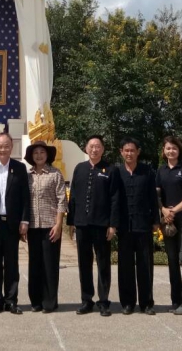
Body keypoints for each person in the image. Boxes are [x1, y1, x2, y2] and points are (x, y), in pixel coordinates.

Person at [109, 137, 159, 315]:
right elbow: (113, 199)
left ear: (138, 152)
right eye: (126, 150)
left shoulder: (147, 171)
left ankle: (146, 303)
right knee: (125, 266)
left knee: (145, 265)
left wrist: (155, 220)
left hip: (143, 225)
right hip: (124, 226)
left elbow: (153, 197)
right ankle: (128, 302)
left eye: (132, 150)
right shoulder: (117, 171)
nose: (129, 153)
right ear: (121, 152)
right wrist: (113, 224)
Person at [67, 134, 115, 317]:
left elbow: (114, 198)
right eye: (91, 146)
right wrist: (71, 222)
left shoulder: (110, 170)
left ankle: (103, 301)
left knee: (103, 263)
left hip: (102, 225)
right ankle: (86, 300)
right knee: (84, 263)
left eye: (98, 146)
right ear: (86, 148)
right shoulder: (79, 168)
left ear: (102, 149)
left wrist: (112, 224)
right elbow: (74, 197)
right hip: (82, 224)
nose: (94, 149)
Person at [0, 131, 30, 314]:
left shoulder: (19, 168)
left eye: (7, 146)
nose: (3, 149)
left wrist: (24, 220)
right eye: (0, 146)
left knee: (12, 264)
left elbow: (25, 197)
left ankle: (11, 300)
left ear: (12, 147)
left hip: (12, 223)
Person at [156, 135, 182, 315]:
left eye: (174, 148)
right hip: (168, 219)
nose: (171, 151)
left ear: (179, 150)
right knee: (172, 260)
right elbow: (157, 195)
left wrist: (173, 211)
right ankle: (176, 299)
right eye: (168, 148)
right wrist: (163, 210)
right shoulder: (161, 171)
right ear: (163, 152)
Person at [25, 141, 66, 313]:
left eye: (42, 152)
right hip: (33, 225)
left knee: (50, 265)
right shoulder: (28, 176)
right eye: (36, 153)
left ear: (47, 155)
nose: (39, 155)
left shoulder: (55, 174)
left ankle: (49, 301)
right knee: (34, 264)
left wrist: (58, 225)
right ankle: (35, 301)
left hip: (51, 226)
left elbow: (62, 201)